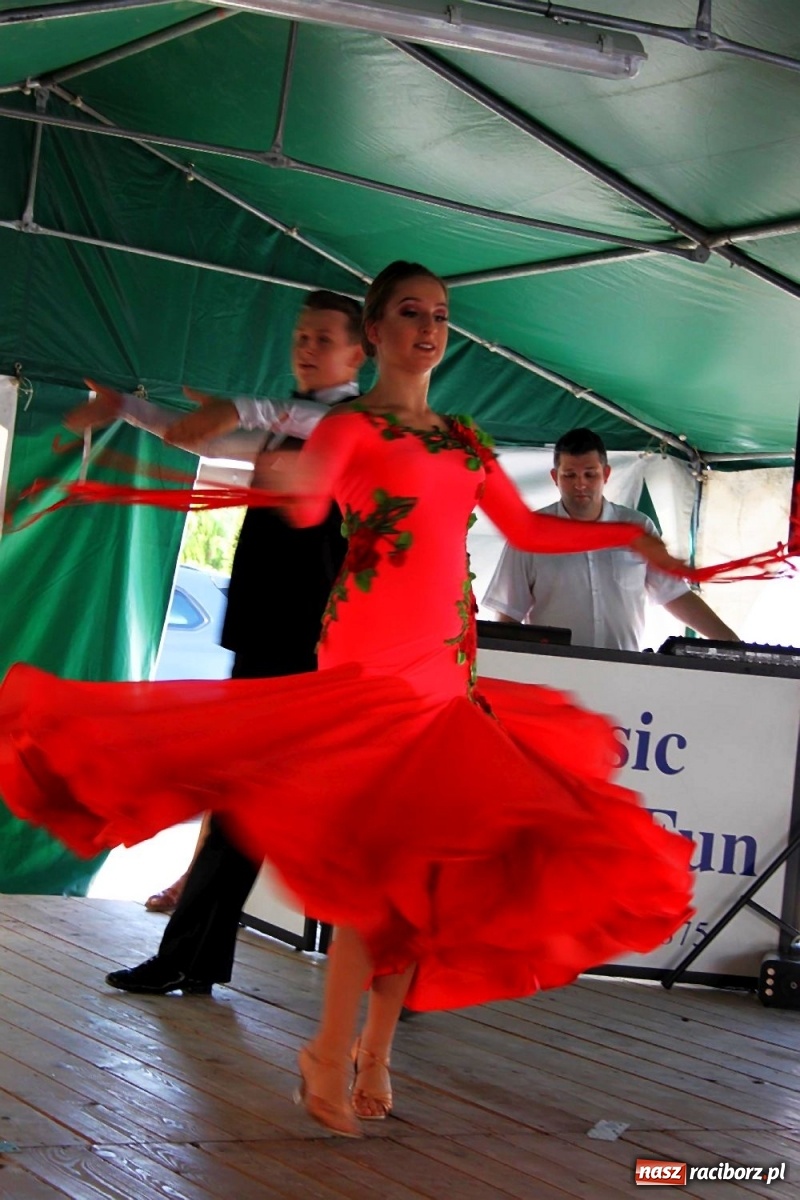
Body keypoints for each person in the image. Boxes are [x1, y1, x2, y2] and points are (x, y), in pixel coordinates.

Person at [0, 261, 695, 1139]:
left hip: (445, 664)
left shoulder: (464, 439)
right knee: (382, 863)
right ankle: (332, 1050)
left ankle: (372, 1051)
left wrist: (633, 535)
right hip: (371, 657)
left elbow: (524, 529)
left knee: (424, 865)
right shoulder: (349, 426)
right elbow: (298, 501)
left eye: (440, 315)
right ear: (375, 332)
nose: (429, 329)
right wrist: (212, 442)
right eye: (410, 313)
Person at [64, 288, 363, 980]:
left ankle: (391, 964)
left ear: (357, 355)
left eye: (322, 339)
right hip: (268, 633)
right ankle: (194, 958)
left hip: (311, 644)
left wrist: (242, 406)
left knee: (302, 804)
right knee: (247, 802)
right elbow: (200, 437)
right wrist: (125, 406)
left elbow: (309, 425)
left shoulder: (357, 425)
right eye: (301, 336)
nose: (306, 348)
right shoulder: (289, 424)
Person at [482, 427, 739, 649]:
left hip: (623, 672)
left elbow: (674, 594)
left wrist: (733, 645)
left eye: (590, 474)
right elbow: (508, 614)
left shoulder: (638, 527)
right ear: (555, 477)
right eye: (569, 475)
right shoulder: (530, 534)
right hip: (553, 673)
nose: (580, 484)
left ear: (606, 474)